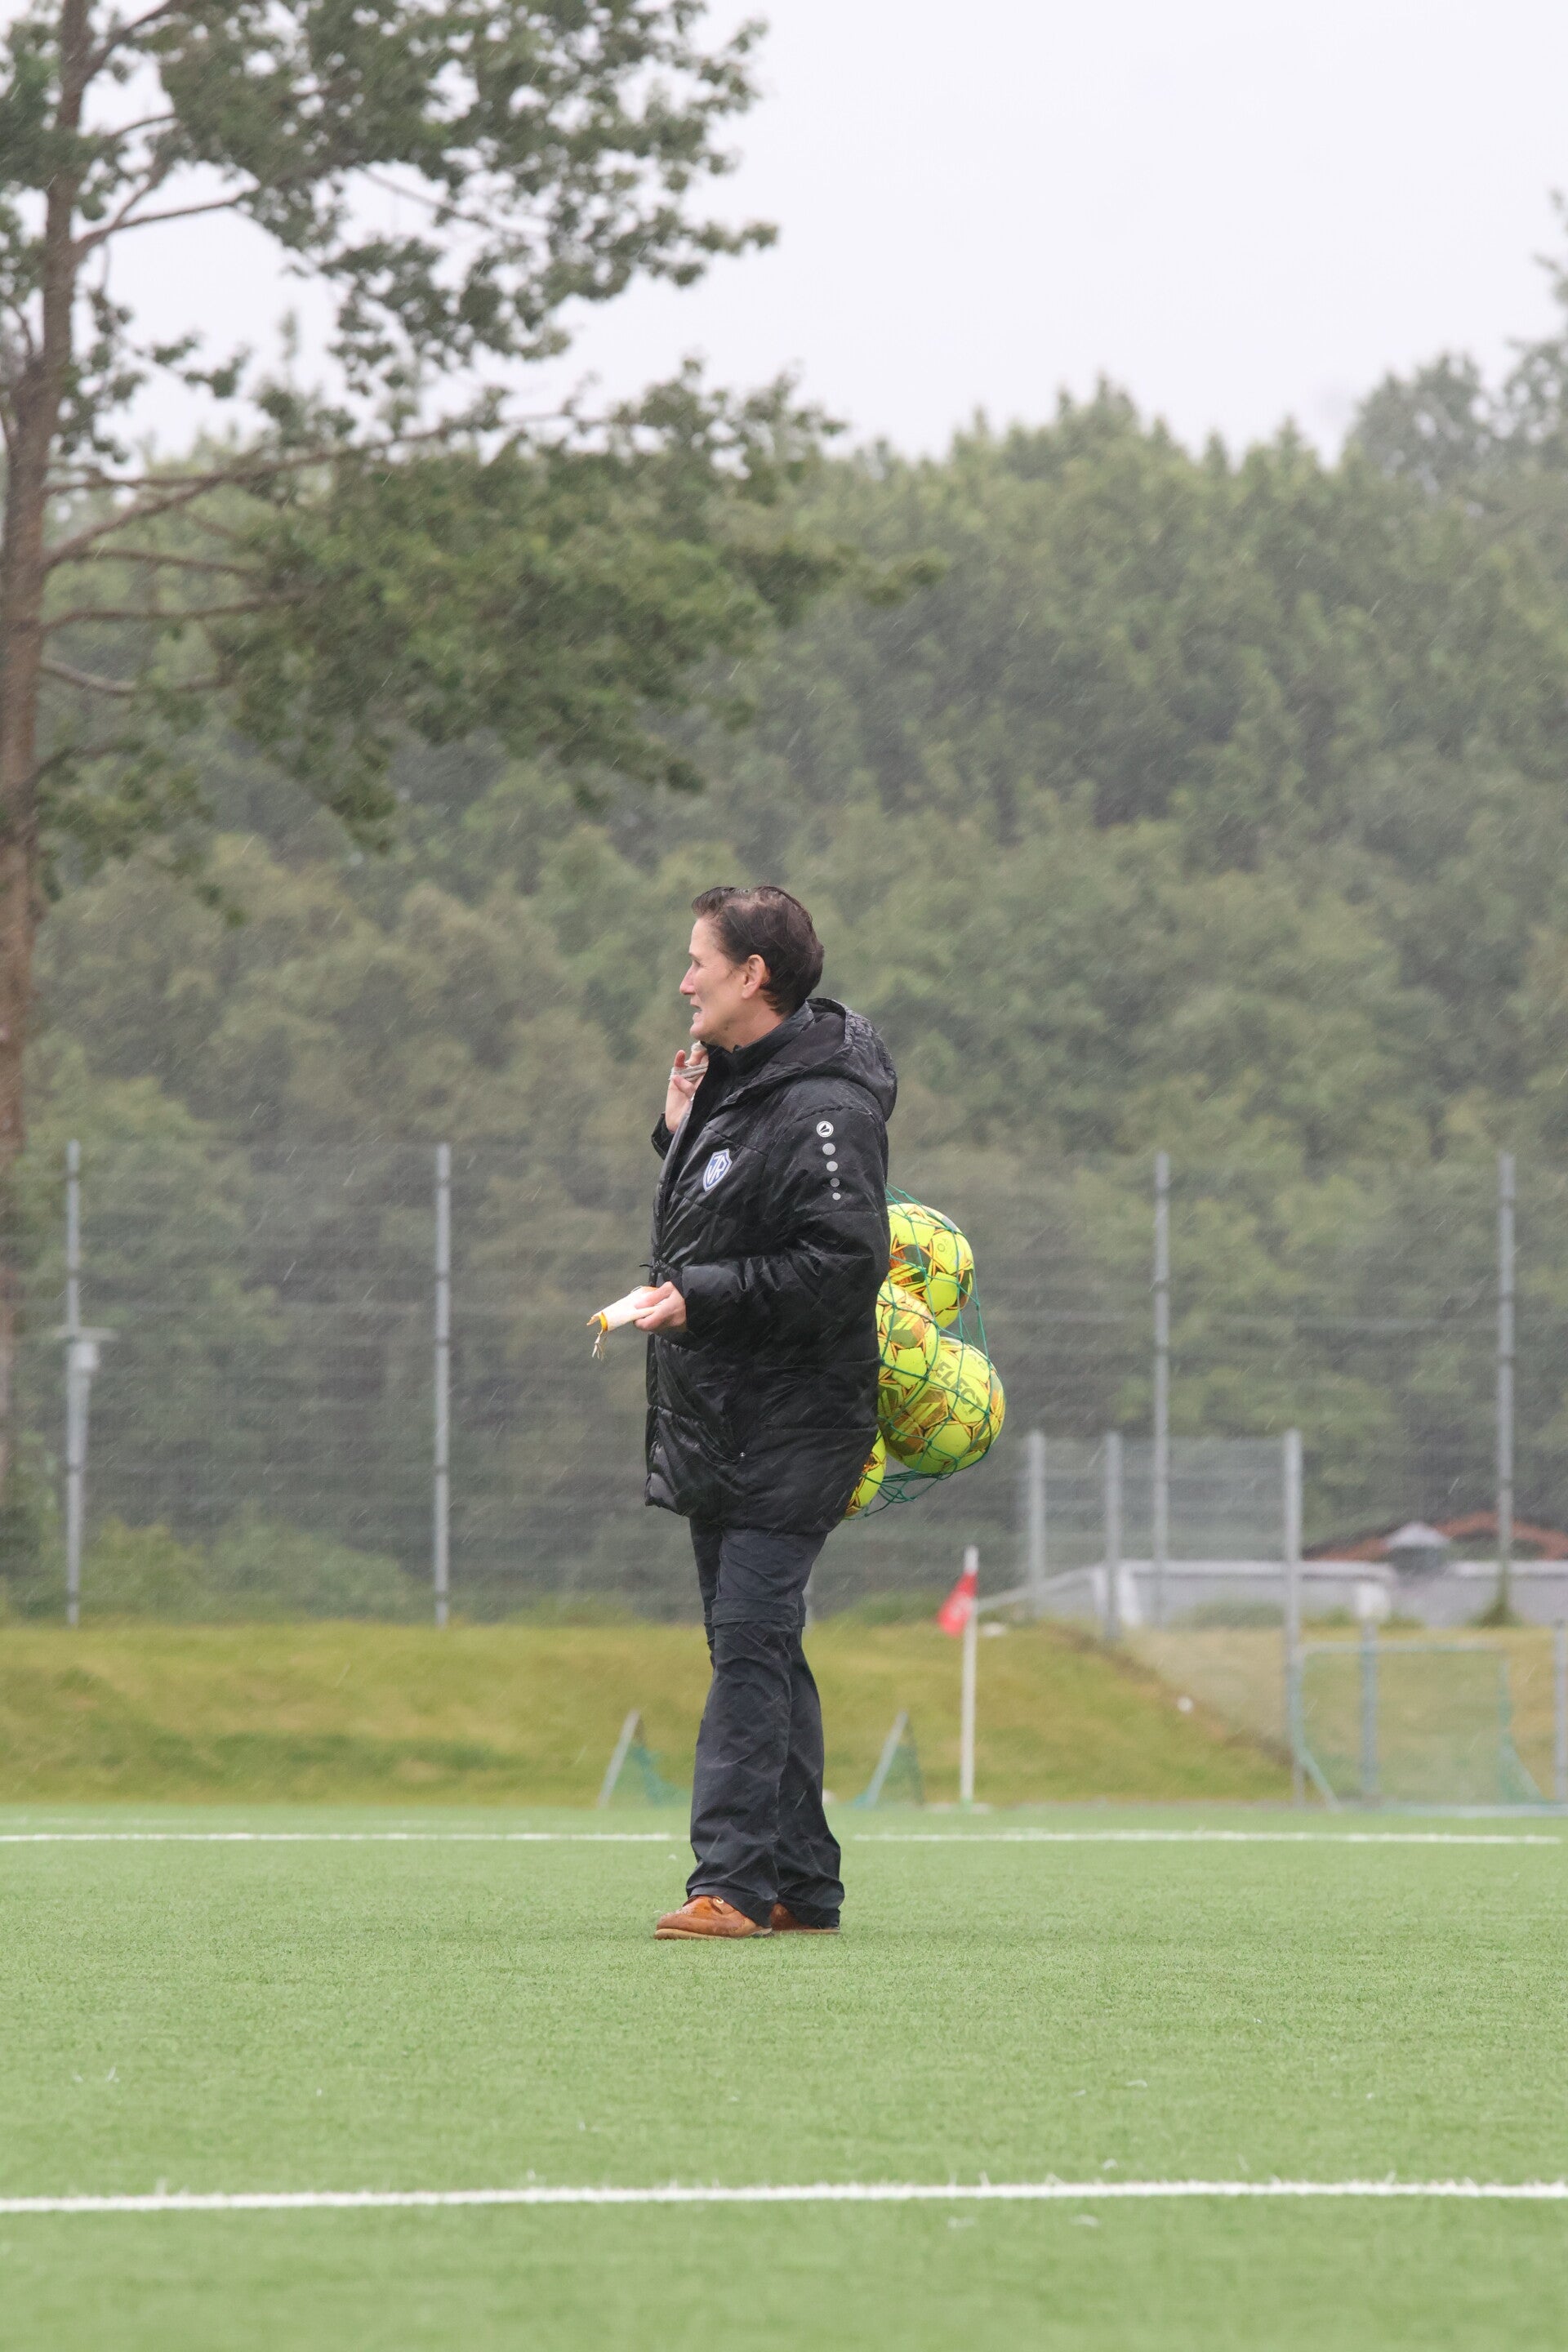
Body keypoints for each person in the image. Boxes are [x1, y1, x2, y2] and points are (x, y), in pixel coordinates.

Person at [633, 885, 897, 1940]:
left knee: (748, 1644)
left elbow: (841, 1263)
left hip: (796, 1421)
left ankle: (732, 1885)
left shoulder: (828, 1106)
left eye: (700, 962)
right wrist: (677, 1130)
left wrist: (701, 1296)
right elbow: (729, 1212)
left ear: (754, 976)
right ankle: (802, 1883)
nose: (684, 980)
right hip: (724, 1417)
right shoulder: (735, 1085)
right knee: (761, 1645)